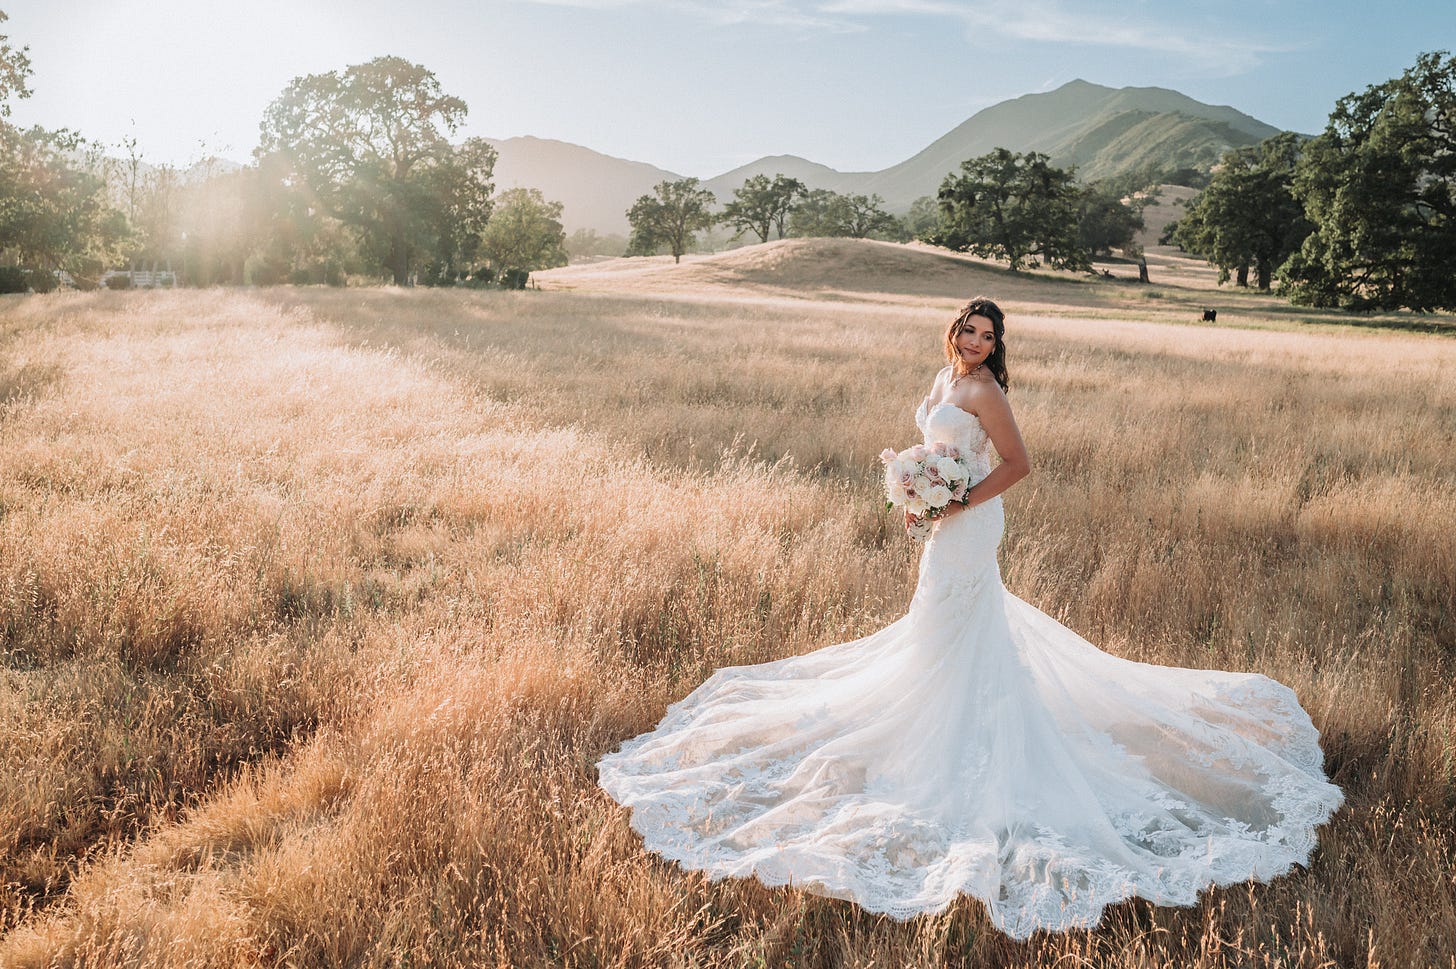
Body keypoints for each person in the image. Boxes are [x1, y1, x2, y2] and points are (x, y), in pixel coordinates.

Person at [596, 297, 1343, 939]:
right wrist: (918, 490)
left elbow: (1018, 464)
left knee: (964, 622)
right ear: (952, 331)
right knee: (937, 626)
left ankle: (969, 736)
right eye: (967, 329)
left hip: (973, 521)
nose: (974, 342)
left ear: (997, 346)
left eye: (986, 335)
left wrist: (957, 501)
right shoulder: (944, 376)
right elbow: (932, 445)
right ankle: (938, 715)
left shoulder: (985, 390)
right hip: (943, 519)